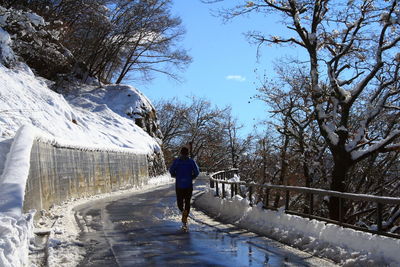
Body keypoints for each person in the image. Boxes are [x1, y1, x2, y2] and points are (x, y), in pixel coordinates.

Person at [169, 146, 200, 229]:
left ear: (181, 153)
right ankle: (185, 217)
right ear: (188, 153)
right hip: (188, 185)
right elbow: (197, 172)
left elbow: (171, 170)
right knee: (187, 201)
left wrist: (175, 175)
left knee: (180, 202)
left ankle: (183, 212)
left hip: (179, 185)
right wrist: (192, 176)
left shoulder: (177, 161)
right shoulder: (191, 161)